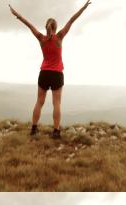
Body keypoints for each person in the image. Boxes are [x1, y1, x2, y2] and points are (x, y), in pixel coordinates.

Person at [9, 1, 92, 139]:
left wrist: (17, 15)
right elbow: (72, 20)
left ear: (47, 26)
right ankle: (56, 131)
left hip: (44, 74)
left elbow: (29, 25)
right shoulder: (59, 37)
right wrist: (83, 7)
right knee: (56, 103)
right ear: (56, 27)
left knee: (39, 102)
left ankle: (34, 129)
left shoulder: (41, 38)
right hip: (57, 74)